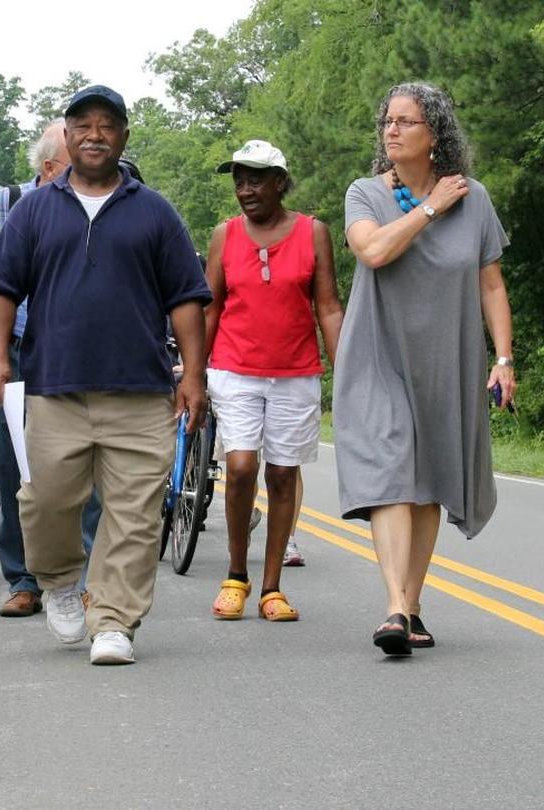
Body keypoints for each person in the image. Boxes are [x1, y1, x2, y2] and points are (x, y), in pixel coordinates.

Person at [0, 85, 211, 665]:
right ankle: (58, 580)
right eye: (83, 124)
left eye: (108, 124)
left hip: (140, 390)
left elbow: (186, 298)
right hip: (55, 388)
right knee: (46, 499)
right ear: (67, 134)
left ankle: (113, 620)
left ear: (123, 136)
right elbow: (1, 291)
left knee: (134, 513)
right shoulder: (35, 210)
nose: (94, 134)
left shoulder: (154, 211)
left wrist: (195, 375)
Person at [334, 82, 515, 656]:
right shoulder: (365, 193)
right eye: (387, 120)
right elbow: (375, 252)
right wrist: (433, 206)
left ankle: (411, 608)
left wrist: (504, 358)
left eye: (406, 122)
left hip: (449, 356)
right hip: (379, 354)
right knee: (391, 472)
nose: (391, 130)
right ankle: (392, 606)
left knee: (430, 481)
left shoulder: (475, 199)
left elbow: (491, 285)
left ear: (435, 134)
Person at [0, 119, 94, 618]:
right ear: (53, 165)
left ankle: (88, 578)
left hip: (75, 351)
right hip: (14, 349)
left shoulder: (93, 202)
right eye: (76, 159)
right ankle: (24, 579)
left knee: (86, 467)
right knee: (17, 469)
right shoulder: (2, 204)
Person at [204, 140, 343, 623]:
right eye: (239, 179)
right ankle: (235, 576)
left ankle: (271, 588)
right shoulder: (225, 235)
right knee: (241, 466)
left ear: (280, 182)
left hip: (296, 371)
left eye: (256, 179)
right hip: (234, 367)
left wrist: (345, 370)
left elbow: (327, 305)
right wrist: (194, 376)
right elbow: (212, 306)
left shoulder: (313, 233)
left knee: (282, 474)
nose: (245, 189)